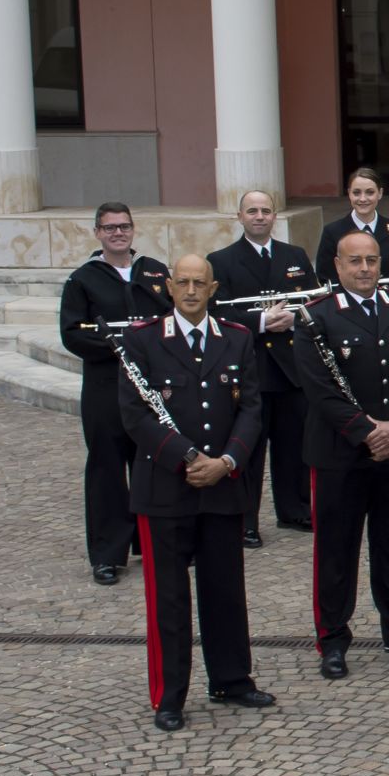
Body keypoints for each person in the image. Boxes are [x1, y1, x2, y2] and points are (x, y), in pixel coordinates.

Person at [116, 254, 273, 732]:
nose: (189, 290)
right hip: (166, 487)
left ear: (213, 287)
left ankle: (231, 677)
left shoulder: (238, 339)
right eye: (181, 282)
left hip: (222, 485)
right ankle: (170, 695)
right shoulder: (141, 340)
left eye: (198, 283)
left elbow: (251, 407)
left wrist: (226, 461)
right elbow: (135, 415)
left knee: (225, 588)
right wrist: (188, 458)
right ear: (167, 287)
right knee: (168, 597)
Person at [291, 229, 389, 678]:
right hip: (340, 453)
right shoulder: (315, 316)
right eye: (355, 261)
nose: (365, 268)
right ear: (337, 265)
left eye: (371, 260)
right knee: (336, 548)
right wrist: (366, 431)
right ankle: (332, 636)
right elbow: (319, 388)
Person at [60, 203, 172, 584]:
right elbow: (72, 334)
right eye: (109, 228)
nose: (118, 233)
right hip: (106, 388)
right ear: (97, 233)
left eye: (123, 226)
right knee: (107, 468)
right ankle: (108, 555)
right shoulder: (82, 280)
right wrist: (121, 344)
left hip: (152, 388)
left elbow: (173, 319)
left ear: (133, 229)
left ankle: (154, 543)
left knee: (153, 464)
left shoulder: (155, 272)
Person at [210, 189, 316, 546]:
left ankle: (296, 509)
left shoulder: (295, 256)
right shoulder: (221, 260)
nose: (259, 216)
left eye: (266, 211)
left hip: (290, 370)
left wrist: (293, 319)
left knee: (293, 447)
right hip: (251, 370)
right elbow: (218, 313)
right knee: (249, 451)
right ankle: (245, 520)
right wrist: (261, 321)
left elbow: (314, 302)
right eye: (252, 211)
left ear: (275, 217)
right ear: (240, 217)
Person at [315, 165, 389, 291]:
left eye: (370, 192)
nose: (363, 199)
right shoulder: (332, 232)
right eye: (356, 193)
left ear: (380, 193)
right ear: (349, 194)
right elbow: (326, 279)